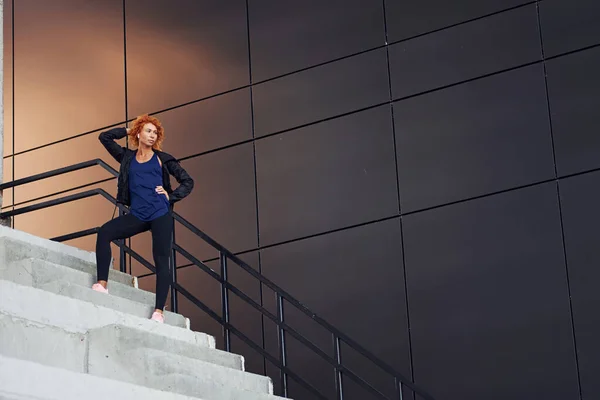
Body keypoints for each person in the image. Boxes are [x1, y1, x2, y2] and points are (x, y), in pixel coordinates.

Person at [91, 114, 194, 323]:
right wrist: (129, 130)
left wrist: (170, 196)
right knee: (105, 232)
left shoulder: (163, 159)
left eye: (155, 132)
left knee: (161, 260)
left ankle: (159, 312)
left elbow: (187, 181)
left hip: (160, 214)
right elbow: (104, 137)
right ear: (139, 133)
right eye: (148, 131)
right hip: (138, 215)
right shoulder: (127, 157)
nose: (152, 135)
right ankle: (102, 284)